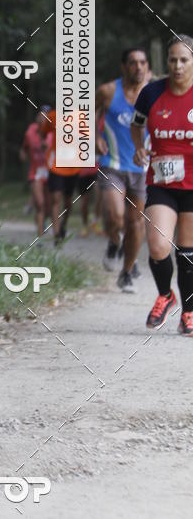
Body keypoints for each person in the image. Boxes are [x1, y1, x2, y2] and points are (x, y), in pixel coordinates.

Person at [131, 35, 193, 335]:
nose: (178, 66)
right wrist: (138, 147)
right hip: (161, 182)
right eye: (173, 60)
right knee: (158, 246)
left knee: (187, 253)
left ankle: (190, 313)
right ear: (166, 62)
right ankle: (166, 295)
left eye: (184, 60)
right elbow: (137, 124)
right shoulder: (152, 92)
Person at [96, 47, 151, 292]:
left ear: (147, 67)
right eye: (133, 63)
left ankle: (127, 272)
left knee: (135, 222)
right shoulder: (108, 91)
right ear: (124, 66)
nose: (138, 67)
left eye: (142, 63)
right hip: (113, 164)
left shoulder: (154, 94)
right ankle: (113, 241)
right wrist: (93, 138)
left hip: (142, 168)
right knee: (115, 216)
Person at [45, 110, 79, 244]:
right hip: (55, 165)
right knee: (55, 199)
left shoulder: (81, 117)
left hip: (73, 166)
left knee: (68, 201)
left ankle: (64, 223)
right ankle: (56, 233)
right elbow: (44, 131)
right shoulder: (53, 115)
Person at [20, 107, 52, 237]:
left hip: (50, 172)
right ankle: (40, 237)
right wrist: (23, 154)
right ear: (37, 118)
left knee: (48, 208)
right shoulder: (30, 133)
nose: (43, 119)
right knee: (40, 203)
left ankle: (42, 220)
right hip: (36, 172)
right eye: (41, 116)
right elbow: (24, 148)